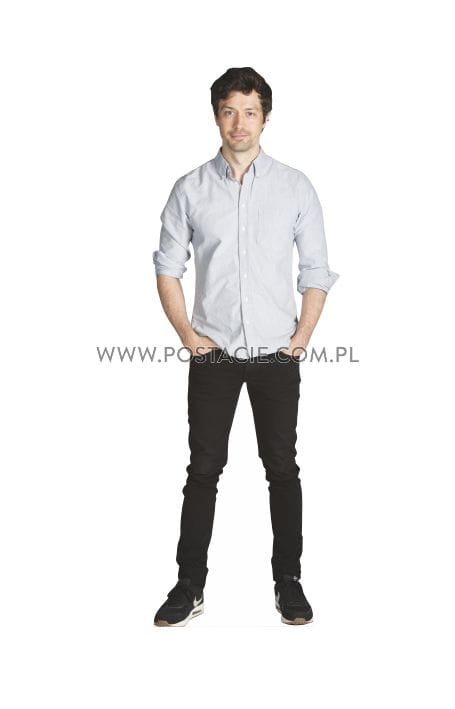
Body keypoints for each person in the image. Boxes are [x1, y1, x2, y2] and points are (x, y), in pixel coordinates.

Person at [152, 67, 339, 626]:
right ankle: (189, 585)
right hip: (213, 355)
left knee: (282, 468)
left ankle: (289, 581)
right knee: (203, 470)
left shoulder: (295, 187)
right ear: (217, 116)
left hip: (277, 355)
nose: (240, 123)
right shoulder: (189, 189)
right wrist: (188, 338)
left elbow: (316, 270)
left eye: (250, 111)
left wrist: (300, 342)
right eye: (229, 111)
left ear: (266, 117)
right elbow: (167, 267)